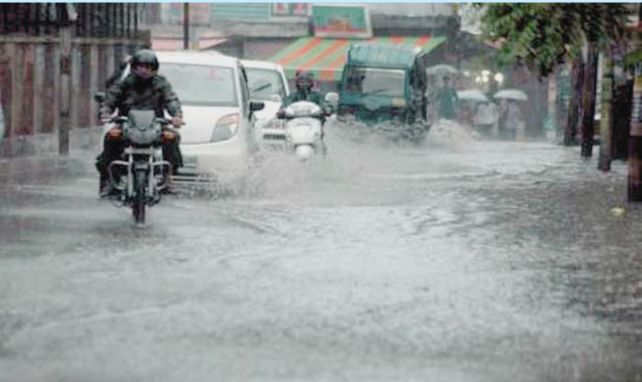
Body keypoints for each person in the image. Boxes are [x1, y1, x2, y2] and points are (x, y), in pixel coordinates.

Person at [96, 49, 184, 197]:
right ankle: (110, 180)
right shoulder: (124, 83)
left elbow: (171, 99)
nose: (145, 70)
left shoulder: (161, 83)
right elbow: (111, 98)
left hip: (155, 125)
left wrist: (177, 115)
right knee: (111, 137)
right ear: (134, 67)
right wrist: (105, 111)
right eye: (141, 66)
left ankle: (168, 177)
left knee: (172, 137)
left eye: (149, 67)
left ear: (154, 69)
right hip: (127, 125)